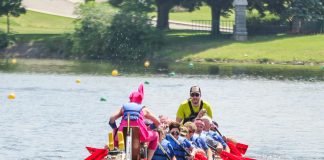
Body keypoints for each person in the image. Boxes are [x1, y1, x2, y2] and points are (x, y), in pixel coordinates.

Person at [108, 84, 160, 160]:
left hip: (122, 135)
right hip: (141, 135)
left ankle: (116, 156)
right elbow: (158, 123)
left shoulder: (124, 107)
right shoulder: (143, 109)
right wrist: (149, 127)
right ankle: (149, 158)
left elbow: (111, 119)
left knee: (115, 136)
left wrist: (115, 128)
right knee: (156, 135)